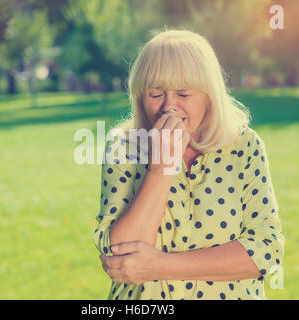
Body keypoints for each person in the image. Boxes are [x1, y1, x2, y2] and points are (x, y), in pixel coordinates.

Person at [94, 28, 285, 300]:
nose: (169, 107)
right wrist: (161, 167)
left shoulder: (244, 146)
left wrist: (157, 266)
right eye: (156, 93)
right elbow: (121, 258)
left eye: (183, 94)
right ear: (139, 96)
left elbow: (267, 251)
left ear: (209, 96)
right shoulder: (123, 147)